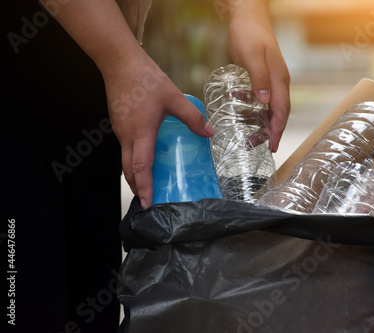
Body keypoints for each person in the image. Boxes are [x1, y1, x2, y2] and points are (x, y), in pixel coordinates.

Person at [2, 0, 290, 332]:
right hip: (21, 70)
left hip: (90, 68)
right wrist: (121, 60)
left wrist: (247, 13)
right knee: (25, 288)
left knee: (89, 290)